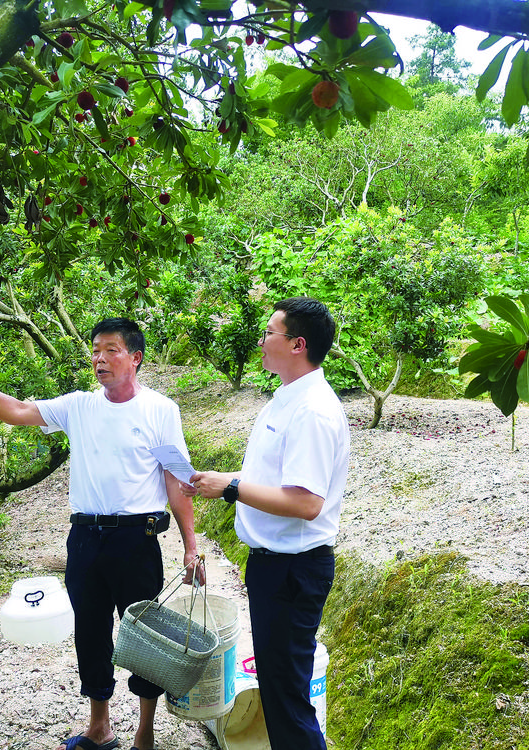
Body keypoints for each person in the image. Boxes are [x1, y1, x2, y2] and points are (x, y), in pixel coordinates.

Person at [0, 317, 204, 750]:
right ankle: (100, 727)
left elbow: (175, 480)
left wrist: (191, 547)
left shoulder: (161, 410)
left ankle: (144, 734)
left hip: (137, 538)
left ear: (136, 357)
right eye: (95, 350)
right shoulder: (78, 406)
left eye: (111, 350)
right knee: (90, 632)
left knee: (145, 636)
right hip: (86, 539)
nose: (99, 359)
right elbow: (16, 410)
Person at [190, 297, 350, 750]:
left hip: (292, 571)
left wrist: (231, 487)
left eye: (269, 333)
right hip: (273, 567)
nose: (261, 341)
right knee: (282, 696)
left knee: (286, 700)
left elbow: (306, 503)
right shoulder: (286, 399)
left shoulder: (313, 411)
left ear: (297, 344)